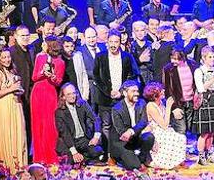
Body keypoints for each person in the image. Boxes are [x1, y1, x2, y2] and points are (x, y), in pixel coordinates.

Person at [94, 29, 140, 160]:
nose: (113, 44)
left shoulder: (127, 56)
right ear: (107, 42)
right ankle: (109, 154)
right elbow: (96, 76)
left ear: (120, 42)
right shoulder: (100, 56)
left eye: (116, 41)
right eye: (111, 41)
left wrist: (121, 91)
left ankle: (123, 154)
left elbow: (133, 74)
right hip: (105, 98)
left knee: (121, 125)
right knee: (106, 126)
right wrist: (108, 92)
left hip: (121, 98)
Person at [0, 47, 27, 171]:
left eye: (8, 57)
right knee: (7, 135)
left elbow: (19, 89)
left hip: (16, 105)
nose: (7, 60)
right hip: (3, 107)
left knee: (18, 134)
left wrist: (19, 90)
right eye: (4, 57)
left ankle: (19, 166)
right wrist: (11, 89)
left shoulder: (13, 72)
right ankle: (8, 167)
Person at [30, 35, 65, 164]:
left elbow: (59, 82)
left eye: (44, 43)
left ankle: (50, 157)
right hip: (37, 94)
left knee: (50, 126)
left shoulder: (60, 62)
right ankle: (39, 158)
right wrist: (42, 73)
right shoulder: (40, 57)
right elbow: (34, 77)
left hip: (50, 94)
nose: (42, 45)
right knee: (38, 125)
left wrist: (53, 77)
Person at [192, 47, 214, 164]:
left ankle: (208, 153)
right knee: (204, 132)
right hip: (205, 102)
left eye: (213, 57)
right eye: (210, 57)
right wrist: (212, 80)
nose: (212, 59)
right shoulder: (199, 71)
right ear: (203, 58)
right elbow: (201, 88)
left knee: (212, 131)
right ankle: (201, 156)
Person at [55, 83, 103, 164]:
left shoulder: (82, 104)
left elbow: (96, 119)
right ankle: (84, 159)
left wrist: (96, 136)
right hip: (69, 142)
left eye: (74, 93)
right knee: (69, 161)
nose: (72, 96)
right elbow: (65, 133)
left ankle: (84, 158)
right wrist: (74, 152)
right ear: (63, 97)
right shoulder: (60, 112)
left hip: (82, 140)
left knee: (97, 151)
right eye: (69, 94)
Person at [111, 80, 155, 169]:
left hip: (135, 136)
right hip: (122, 141)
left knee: (149, 137)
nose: (137, 94)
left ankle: (140, 159)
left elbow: (143, 121)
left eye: (137, 91)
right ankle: (121, 158)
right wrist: (129, 133)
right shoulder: (116, 109)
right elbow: (121, 131)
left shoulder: (141, 103)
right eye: (133, 91)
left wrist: (131, 131)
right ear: (125, 93)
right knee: (133, 166)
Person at [143, 82, 187, 169]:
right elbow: (164, 125)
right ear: (155, 95)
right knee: (172, 138)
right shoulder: (151, 106)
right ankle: (162, 162)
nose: (163, 91)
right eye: (160, 90)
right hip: (155, 131)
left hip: (163, 129)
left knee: (180, 137)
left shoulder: (161, 103)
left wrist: (173, 110)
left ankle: (177, 160)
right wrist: (168, 107)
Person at [9, 26, 34, 159]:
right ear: (16, 37)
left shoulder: (31, 50)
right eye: (22, 36)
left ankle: (27, 155)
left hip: (31, 94)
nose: (25, 38)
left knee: (29, 127)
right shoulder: (11, 52)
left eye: (27, 35)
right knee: (19, 127)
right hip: (19, 95)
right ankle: (17, 156)